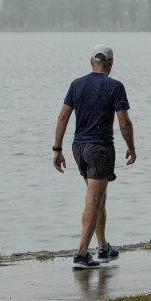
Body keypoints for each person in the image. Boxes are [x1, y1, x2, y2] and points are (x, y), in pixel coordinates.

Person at [52, 44, 136, 269]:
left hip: (78, 148)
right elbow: (124, 122)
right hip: (100, 148)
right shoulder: (115, 86)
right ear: (110, 63)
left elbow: (62, 117)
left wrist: (57, 150)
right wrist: (132, 147)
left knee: (99, 198)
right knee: (93, 200)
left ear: (91, 62)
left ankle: (103, 248)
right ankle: (81, 254)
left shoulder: (76, 84)